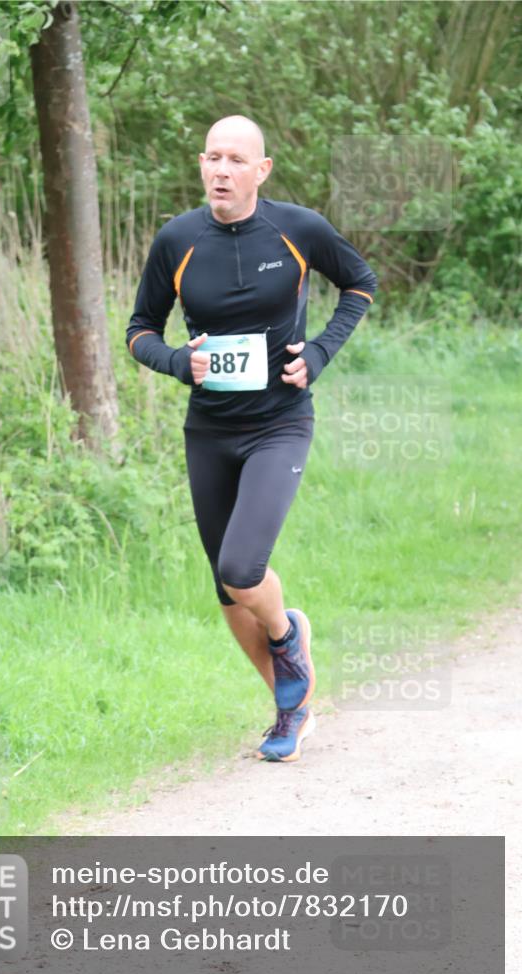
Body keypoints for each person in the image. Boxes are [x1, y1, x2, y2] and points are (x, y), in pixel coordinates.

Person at [126, 115, 377, 762]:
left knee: (242, 570)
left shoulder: (298, 229)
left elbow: (360, 283)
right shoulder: (177, 240)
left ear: (261, 171)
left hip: (279, 423)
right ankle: (290, 711)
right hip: (209, 430)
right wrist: (177, 361)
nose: (221, 170)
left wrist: (318, 352)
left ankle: (287, 633)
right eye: (212, 157)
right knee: (225, 586)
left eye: (236, 160)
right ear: (201, 165)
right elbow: (139, 330)